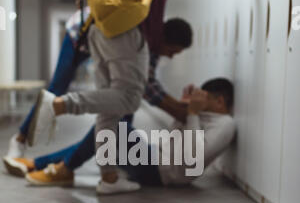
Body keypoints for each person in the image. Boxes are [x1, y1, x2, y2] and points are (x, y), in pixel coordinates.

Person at [5, 0, 252, 193]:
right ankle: (60, 105)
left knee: (111, 110)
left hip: (102, 28)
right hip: (122, 32)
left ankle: (108, 179)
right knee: (128, 99)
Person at [10, 78, 236, 190]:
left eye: (204, 97)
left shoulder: (226, 125)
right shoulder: (205, 116)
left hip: (161, 174)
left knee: (112, 126)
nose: (200, 101)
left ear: (220, 100)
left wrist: (193, 114)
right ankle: (47, 165)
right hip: (155, 158)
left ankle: (57, 167)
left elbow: (192, 160)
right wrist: (186, 111)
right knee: (105, 128)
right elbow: (176, 138)